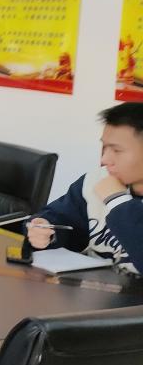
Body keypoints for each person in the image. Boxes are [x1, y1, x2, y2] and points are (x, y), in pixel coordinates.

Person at [26, 103, 143, 275]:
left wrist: (117, 201)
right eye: (104, 147)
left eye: (117, 150)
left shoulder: (110, 189)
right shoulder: (98, 180)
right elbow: (61, 219)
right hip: (93, 286)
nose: (104, 159)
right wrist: (45, 231)